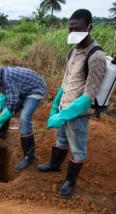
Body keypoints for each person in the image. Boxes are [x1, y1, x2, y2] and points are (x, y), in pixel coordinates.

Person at [37, 9, 106, 198]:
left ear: (90, 26)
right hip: (64, 106)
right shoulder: (73, 51)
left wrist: (65, 114)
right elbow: (65, 82)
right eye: (70, 28)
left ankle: (70, 182)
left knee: (77, 148)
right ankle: (54, 165)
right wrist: (55, 106)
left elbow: (89, 95)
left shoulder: (96, 56)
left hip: (78, 113)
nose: (73, 31)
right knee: (61, 139)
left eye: (78, 27)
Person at [0, 61, 47, 171]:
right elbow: (5, 94)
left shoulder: (7, 78)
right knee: (4, 110)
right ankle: (2, 134)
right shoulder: (0, 77)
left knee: (24, 119)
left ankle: (29, 157)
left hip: (34, 90)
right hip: (22, 90)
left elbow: (12, 104)